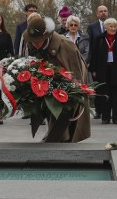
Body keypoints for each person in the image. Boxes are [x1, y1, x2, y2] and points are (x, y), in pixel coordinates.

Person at [21, 14, 91, 142]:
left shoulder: (67, 46)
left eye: (38, 41)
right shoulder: (31, 44)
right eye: (33, 41)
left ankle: (61, 138)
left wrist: (75, 90)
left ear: (46, 36)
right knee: (49, 107)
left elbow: (76, 74)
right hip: (50, 80)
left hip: (71, 77)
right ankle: (54, 137)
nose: (35, 44)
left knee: (68, 110)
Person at [90, 18, 117, 124]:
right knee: (104, 94)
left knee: (116, 95)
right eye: (110, 26)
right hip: (103, 70)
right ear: (106, 27)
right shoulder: (99, 38)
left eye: (115, 26)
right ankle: (105, 117)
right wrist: (93, 69)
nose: (113, 28)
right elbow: (94, 55)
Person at [86, 5, 109, 118]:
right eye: (101, 11)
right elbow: (89, 46)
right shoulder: (92, 27)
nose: (103, 13)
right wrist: (89, 62)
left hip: (110, 62)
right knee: (98, 87)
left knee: (109, 86)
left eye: (105, 11)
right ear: (97, 13)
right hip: (97, 61)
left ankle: (109, 110)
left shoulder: (112, 24)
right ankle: (99, 110)